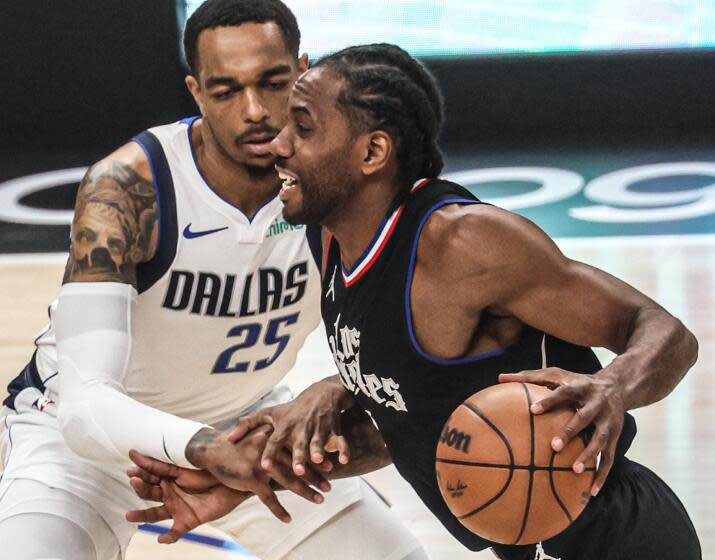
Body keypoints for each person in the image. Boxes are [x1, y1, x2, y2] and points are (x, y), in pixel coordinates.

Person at [128, 43, 702, 559]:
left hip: (617, 535)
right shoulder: (327, 237)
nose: (278, 145)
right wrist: (253, 475)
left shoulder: (463, 242)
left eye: (302, 128)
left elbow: (664, 332)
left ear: (373, 151)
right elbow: (411, 426)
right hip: (531, 542)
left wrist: (613, 386)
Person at [0, 4, 429, 559]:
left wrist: (329, 396)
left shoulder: (340, 179)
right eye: (226, 91)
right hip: (87, 440)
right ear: (196, 92)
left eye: (273, 83)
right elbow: (85, 408)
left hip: (248, 428)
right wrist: (202, 450)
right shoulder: (130, 187)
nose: (254, 111)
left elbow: (411, 368)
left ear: (304, 70)